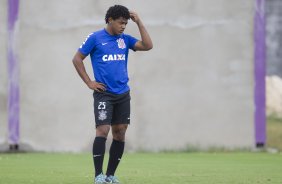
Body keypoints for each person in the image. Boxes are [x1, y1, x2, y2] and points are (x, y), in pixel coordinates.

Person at [72, 5, 153, 184]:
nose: (123, 26)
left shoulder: (124, 39)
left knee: (120, 132)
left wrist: (139, 22)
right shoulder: (95, 38)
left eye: (125, 23)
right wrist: (89, 82)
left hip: (123, 93)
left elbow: (148, 45)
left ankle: (110, 176)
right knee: (103, 129)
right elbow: (77, 59)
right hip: (104, 94)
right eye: (120, 23)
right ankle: (98, 175)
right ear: (110, 20)